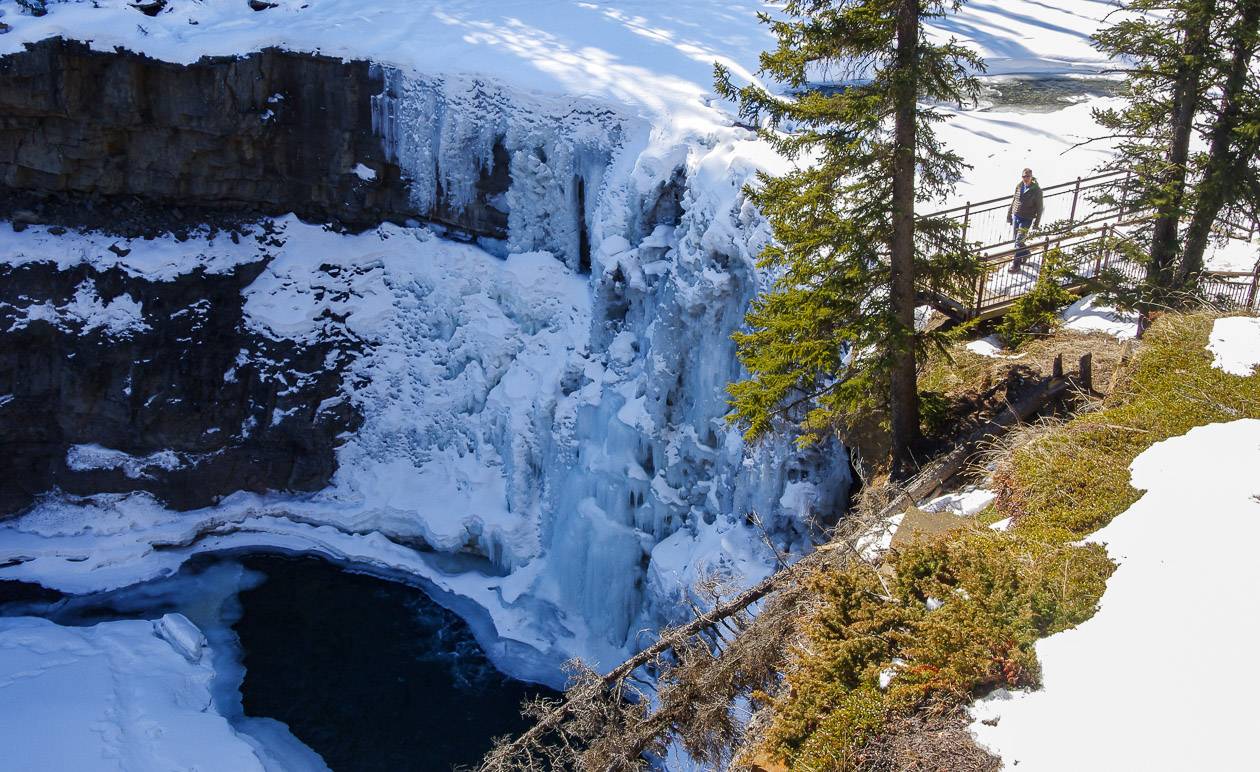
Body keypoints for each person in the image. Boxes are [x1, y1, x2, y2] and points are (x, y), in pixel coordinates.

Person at [1008, 168, 1043, 272]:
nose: (1025, 178)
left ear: (1031, 177)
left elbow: (1039, 207)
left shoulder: (1037, 190)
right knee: (1017, 240)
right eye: (1024, 176)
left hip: (1027, 218)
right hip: (1016, 215)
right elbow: (1014, 200)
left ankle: (1016, 265)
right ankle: (1026, 252)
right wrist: (1009, 213)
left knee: (1019, 241)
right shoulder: (1019, 186)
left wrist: (1037, 223)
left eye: (1027, 176)